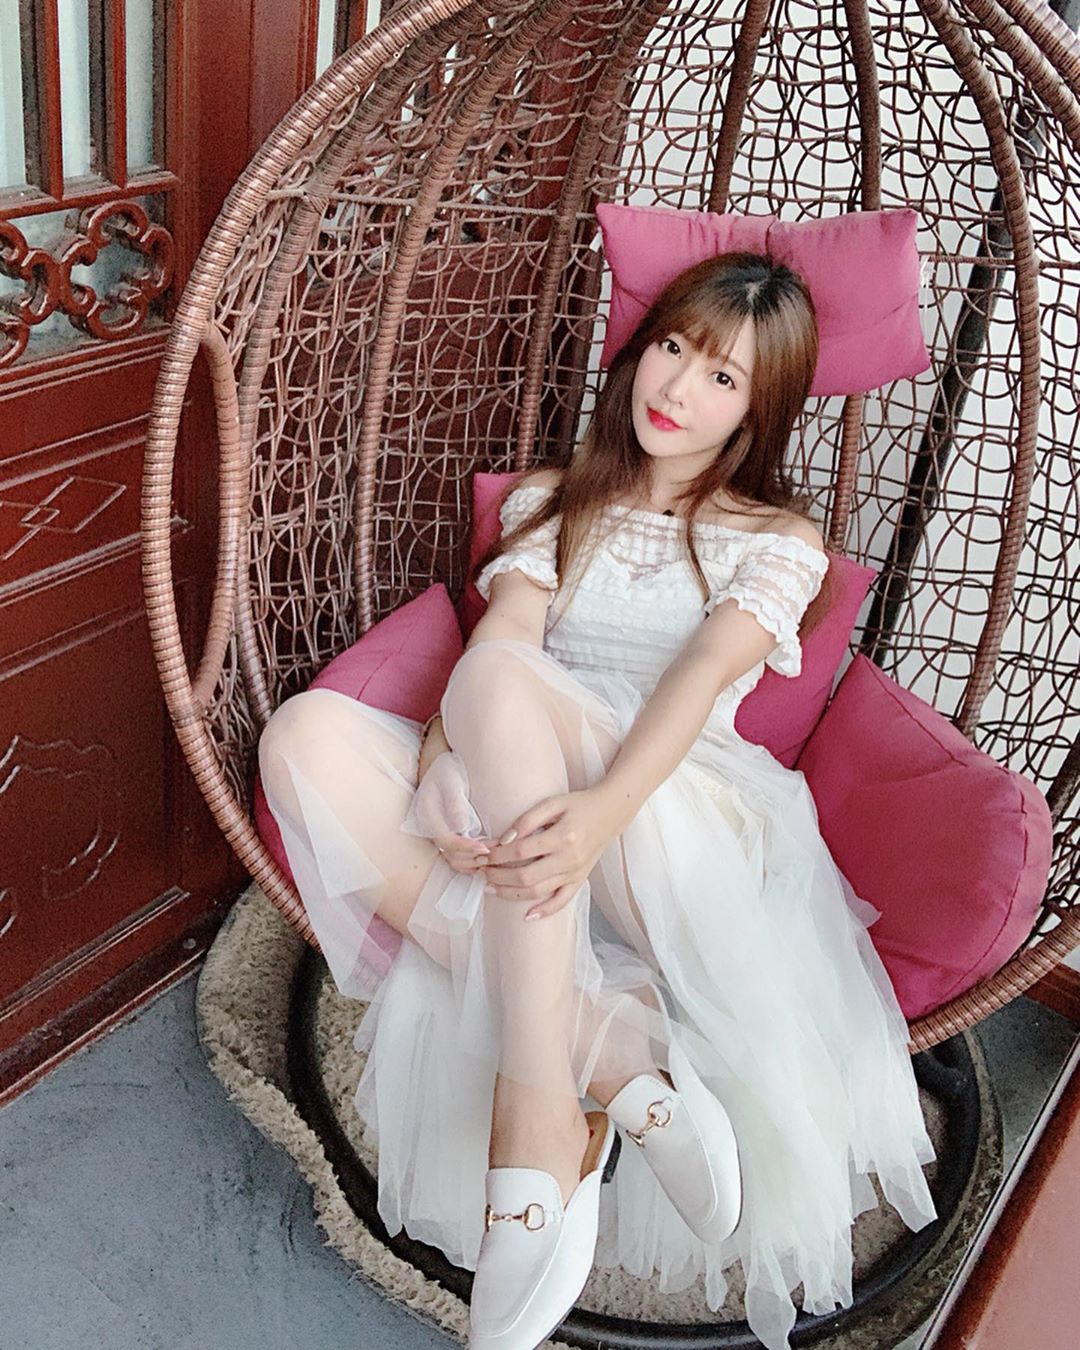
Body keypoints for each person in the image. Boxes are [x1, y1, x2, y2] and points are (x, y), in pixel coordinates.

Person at [257, 249, 938, 1350]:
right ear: (638, 348)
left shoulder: (778, 541)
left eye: (723, 377)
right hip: (531, 795)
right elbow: (504, 647)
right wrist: (442, 767)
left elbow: (694, 683)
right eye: (672, 348)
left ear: (758, 411)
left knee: (511, 684)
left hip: (674, 819)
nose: (678, 388)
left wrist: (604, 811)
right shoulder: (551, 502)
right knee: (303, 738)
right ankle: (602, 1044)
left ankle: (534, 1116)